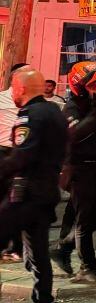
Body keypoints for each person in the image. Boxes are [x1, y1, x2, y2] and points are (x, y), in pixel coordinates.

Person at [0, 69, 67, 303]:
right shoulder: (56, 112)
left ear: (21, 87)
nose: (12, 95)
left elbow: (22, 156)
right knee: (38, 257)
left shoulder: (32, 114)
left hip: (26, 195)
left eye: (13, 89)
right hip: (45, 193)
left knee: (36, 256)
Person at [55, 62, 96, 282]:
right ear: (80, 85)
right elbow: (74, 136)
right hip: (78, 168)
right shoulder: (72, 107)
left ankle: (64, 247)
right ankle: (87, 267)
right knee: (86, 218)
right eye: (95, 84)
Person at [0, 63, 29, 263]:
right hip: (2, 152)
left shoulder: (35, 103)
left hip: (22, 154)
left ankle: (16, 247)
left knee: (19, 200)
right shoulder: (1, 99)